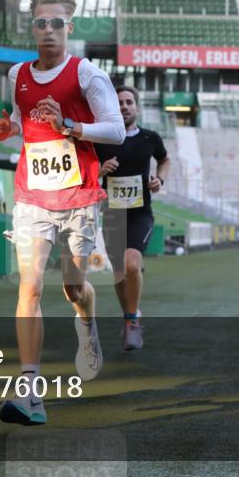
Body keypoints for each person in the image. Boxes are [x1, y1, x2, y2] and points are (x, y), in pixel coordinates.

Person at [0, 0, 124, 426]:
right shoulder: (18, 74)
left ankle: (86, 321)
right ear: (32, 27)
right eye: (41, 23)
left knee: (72, 288)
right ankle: (30, 392)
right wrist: (6, 128)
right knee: (28, 287)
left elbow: (117, 131)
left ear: (71, 28)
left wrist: (69, 124)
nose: (49, 30)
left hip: (78, 195)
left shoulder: (88, 75)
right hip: (33, 195)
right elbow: (19, 120)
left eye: (57, 23)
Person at [95, 85, 170, 351]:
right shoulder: (102, 140)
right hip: (112, 214)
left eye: (129, 102)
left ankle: (131, 321)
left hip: (140, 214)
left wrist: (159, 179)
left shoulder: (150, 138)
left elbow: (165, 160)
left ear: (136, 107)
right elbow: (86, 172)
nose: (124, 106)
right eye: (119, 103)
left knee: (131, 263)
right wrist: (100, 170)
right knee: (118, 272)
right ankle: (129, 315)